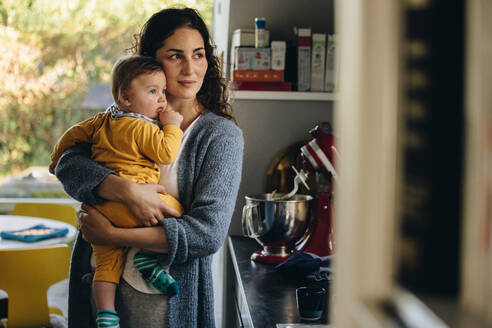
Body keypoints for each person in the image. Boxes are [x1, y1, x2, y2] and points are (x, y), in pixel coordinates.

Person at [53, 7, 244, 328]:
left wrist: (114, 233)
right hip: (99, 288)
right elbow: (67, 163)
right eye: (175, 56)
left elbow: (207, 234)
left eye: (198, 55)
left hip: (162, 304)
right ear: (152, 62)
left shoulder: (220, 136)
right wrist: (126, 190)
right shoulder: (125, 114)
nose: (189, 69)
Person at [50, 55, 184, 327]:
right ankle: (146, 257)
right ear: (126, 97)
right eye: (153, 92)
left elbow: (72, 135)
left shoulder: (101, 120)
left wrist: (55, 158)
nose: (162, 99)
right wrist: (172, 126)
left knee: (106, 264)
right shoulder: (141, 126)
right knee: (175, 209)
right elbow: (166, 152)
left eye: (162, 92)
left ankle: (106, 313)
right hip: (140, 207)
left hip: (103, 210)